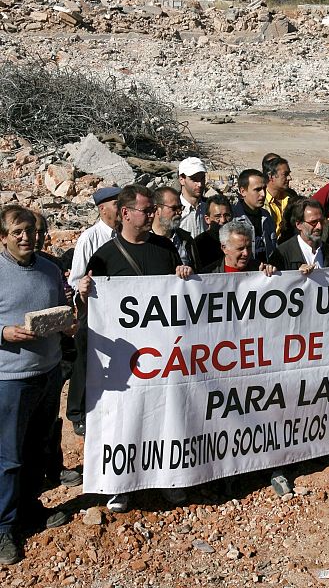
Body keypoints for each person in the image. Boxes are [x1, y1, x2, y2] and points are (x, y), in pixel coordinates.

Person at [78, 185, 192, 513]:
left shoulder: (165, 247)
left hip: (163, 356)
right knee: (125, 420)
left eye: (153, 208)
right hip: (125, 365)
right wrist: (85, 292)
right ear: (126, 213)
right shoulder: (104, 256)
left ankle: (169, 480)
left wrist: (183, 273)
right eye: (146, 209)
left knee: (165, 416)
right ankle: (120, 485)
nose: (153, 214)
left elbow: (181, 297)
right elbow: (93, 313)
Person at [0, 206, 72, 565]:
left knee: (36, 450)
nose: (26, 237)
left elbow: (61, 309)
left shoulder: (49, 268)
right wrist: (3, 332)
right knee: (8, 457)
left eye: (30, 230)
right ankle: (4, 527)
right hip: (10, 379)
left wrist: (66, 322)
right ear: (3, 238)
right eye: (17, 232)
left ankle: (29, 508)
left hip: (48, 373)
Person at [32, 212, 81, 490]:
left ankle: (54, 469)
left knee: (49, 418)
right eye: (30, 231)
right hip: (14, 360)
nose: (35, 237)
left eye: (41, 231)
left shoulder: (50, 266)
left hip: (55, 352)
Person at [67, 186, 120, 437]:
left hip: (120, 311)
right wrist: (83, 289)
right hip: (92, 308)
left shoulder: (128, 235)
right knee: (85, 358)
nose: (122, 209)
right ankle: (77, 413)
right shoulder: (90, 238)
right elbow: (75, 278)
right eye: (117, 204)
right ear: (102, 209)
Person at [269, 198, 329, 272]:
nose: (319, 226)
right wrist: (296, 274)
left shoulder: (326, 251)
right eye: (313, 222)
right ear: (299, 224)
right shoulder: (282, 254)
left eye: (322, 221)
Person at [232, 169, 277, 261]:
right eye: (257, 190)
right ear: (243, 191)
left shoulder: (266, 217)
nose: (263, 194)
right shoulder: (233, 218)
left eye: (264, 189)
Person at [203, 220, 275, 275]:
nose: (246, 253)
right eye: (240, 249)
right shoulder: (208, 275)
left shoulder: (260, 270)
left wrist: (270, 276)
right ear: (224, 248)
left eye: (249, 247)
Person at [153, 186, 200, 270]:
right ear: (157, 210)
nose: (179, 212)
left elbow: (198, 271)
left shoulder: (186, 240)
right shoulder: (144, 240)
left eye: (180, 207)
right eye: (174, 208)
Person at [193, 195, 232, 270]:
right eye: (218, 216)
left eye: (226, 215)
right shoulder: (199, 243)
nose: (223, 220)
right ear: (207, 219)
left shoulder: (236, 240)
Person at [263, 157, 296, 240]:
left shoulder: (291, 198)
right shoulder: (260, 202)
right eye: (285, 174)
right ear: (271, 176)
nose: (289, 178)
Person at [178, 156, 207, 239]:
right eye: (194, 180)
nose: (200, 184)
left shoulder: (209, 207)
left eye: (202, 179)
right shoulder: (174, 210)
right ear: (182, 180)